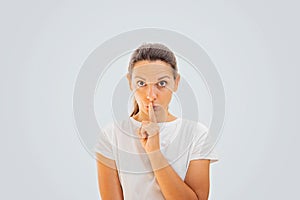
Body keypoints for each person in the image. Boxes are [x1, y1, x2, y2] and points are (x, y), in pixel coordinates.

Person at [94, 43, 219, 200]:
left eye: (161, 83)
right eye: (141, 83)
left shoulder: (196, 134)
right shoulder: (111, 135)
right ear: (130, 82)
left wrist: (154, 152)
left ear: (176, 82)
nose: (151, 95)